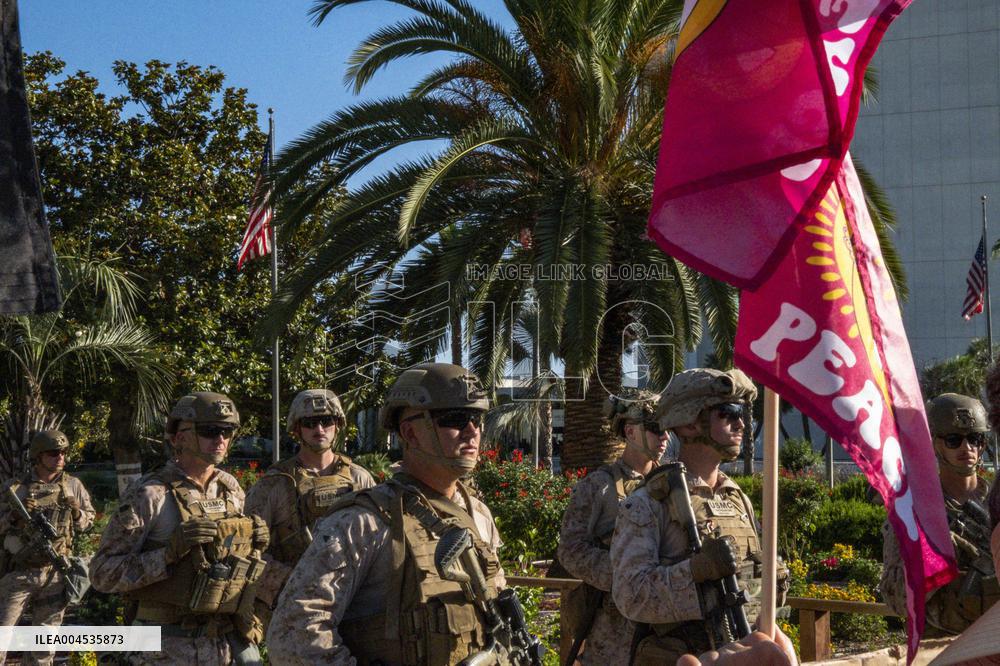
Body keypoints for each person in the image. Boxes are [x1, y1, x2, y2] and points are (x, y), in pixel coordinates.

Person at [267, 362, 534, 665]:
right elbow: (292, 635)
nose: (472, 431)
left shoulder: (478, 515)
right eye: (455, 419)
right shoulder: (364, 522)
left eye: (477, 418)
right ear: (411, 432)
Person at [611, 368, 786, 664]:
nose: (740, 423)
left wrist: (768, 580)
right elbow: (631, 596)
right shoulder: (649, 502)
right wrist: (694, 571)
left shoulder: (736, 498)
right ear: (690, 423)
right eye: (727, 412)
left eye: (741, 412)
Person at [89, 392, 270, 665]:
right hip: (165, 647)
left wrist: (255, 544)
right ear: (179, 437)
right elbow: (102, 573)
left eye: (227, 431)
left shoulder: (230, 488)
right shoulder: (151, 494)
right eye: (210, 431)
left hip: (221, 645)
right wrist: (166, 556)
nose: (220, 439)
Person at [244, 389, 375, 632]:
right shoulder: (274, 483)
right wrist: (292, 582)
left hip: (353, 608)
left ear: (338, 425)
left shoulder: (359, 479)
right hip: (295, 611)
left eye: (327, 421)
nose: (320, 429)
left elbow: (379, 544)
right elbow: (247, 550)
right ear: (296, 429)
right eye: (310, 422)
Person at [555, 389, 666, 664]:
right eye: (655, 428)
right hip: (613, 631)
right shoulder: (599, 486)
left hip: (663, 626)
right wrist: (623, 573)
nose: (664, 437)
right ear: (630, 432)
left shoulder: (672, 485)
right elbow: (570, 549)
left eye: (666, 429)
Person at [880, 393, 998, 636]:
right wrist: (937, 556)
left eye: (974, 439)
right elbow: (896, 599)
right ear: (935, 444)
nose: (967, 448)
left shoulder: (996, 503)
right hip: (939, 646)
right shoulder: (915, 510)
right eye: (954, 440)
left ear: (983, 445)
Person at [0, 430, 95, 666]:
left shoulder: (73, 486)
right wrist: (13, 517)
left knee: (43, 647)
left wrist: (77, 512)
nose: (60, 458)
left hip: (55, 573)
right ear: (38, 456)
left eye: (63, 453)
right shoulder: (16, 488)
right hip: (20, 572)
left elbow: (88, 521)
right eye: (54, 453)